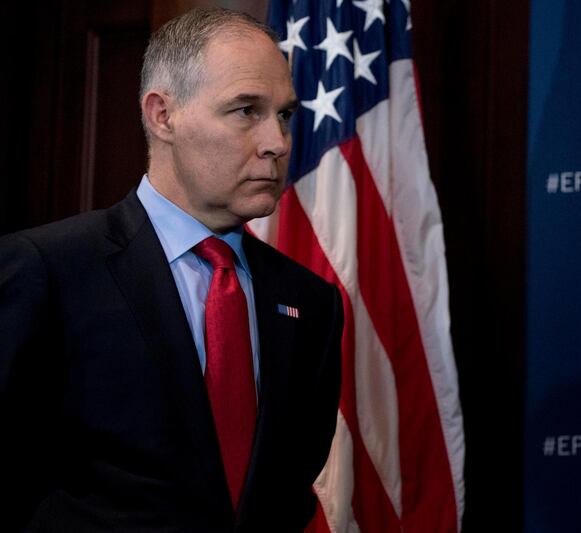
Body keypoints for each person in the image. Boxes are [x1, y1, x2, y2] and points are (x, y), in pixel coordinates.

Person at [0, 7, 342, 532]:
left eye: (285, 115)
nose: (277, 142)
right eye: (247, 110)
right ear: (163, 116)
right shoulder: (48, 269)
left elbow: (287, 492)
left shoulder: (311, 302)